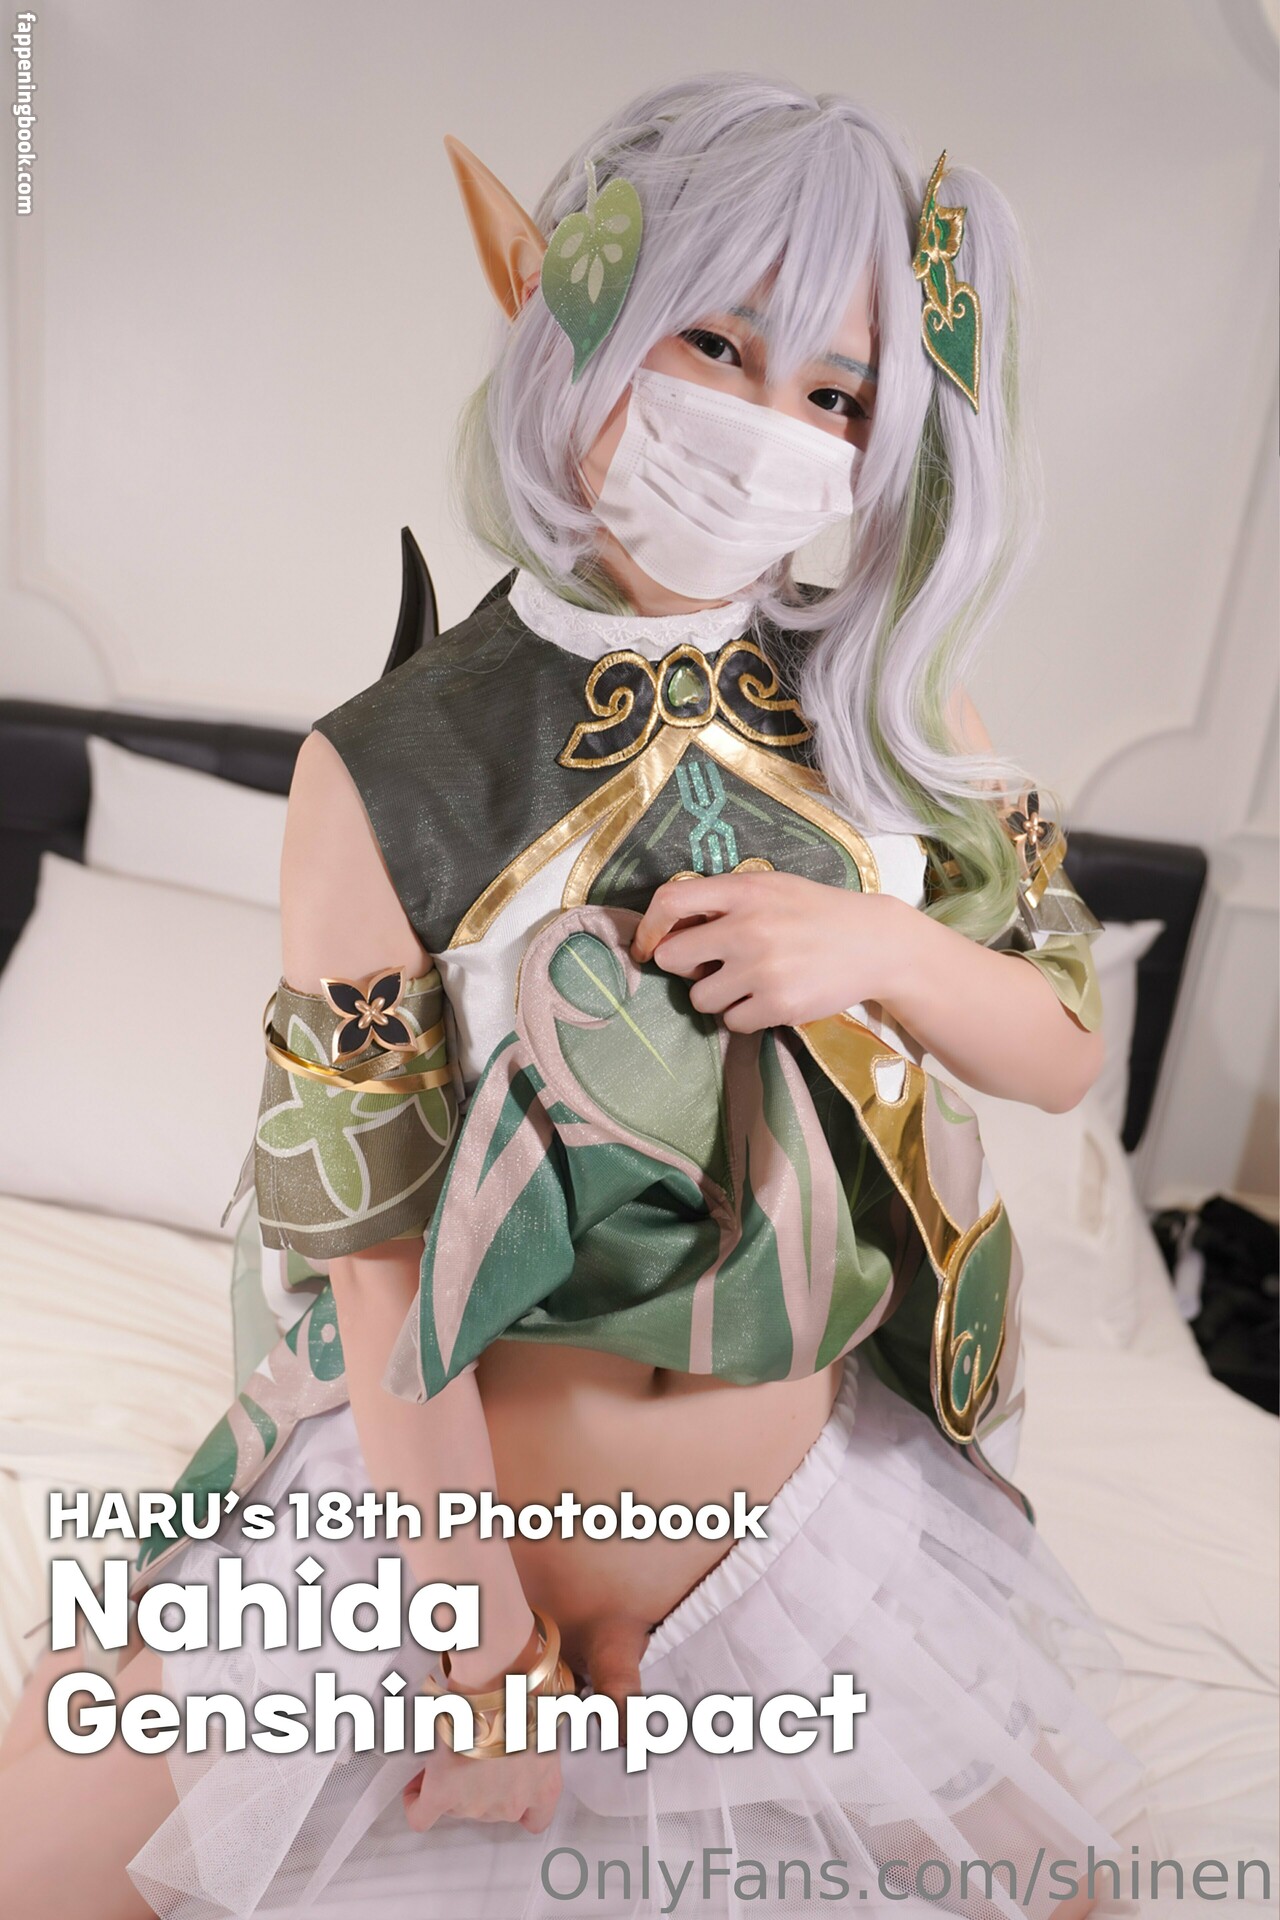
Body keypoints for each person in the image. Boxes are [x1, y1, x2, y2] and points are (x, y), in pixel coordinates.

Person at [0, 73, 1163, 1920]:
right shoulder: (387, 763)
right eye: (717, 343)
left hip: (813, 1544)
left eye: (836, 395)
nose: (766, 428)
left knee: (1097, 1893)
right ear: (575, 309)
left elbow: (1060, 1045)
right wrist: (478, 1650)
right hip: (425, 1542)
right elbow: (374, 1245)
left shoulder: (892, 716)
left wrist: (874, 947)